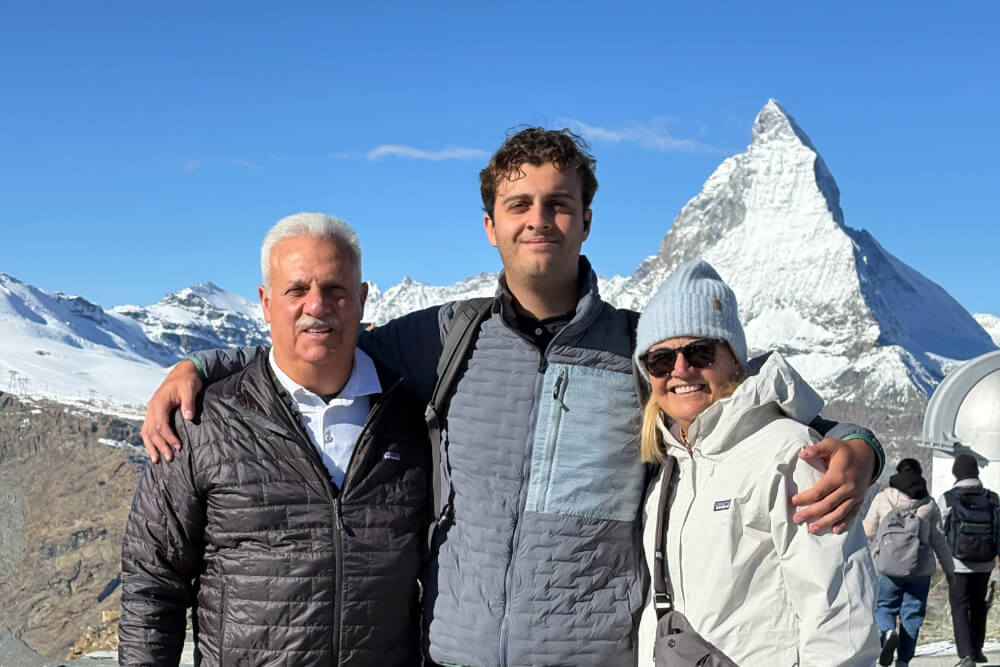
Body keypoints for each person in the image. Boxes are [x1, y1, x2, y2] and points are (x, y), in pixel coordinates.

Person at [140, 129, 884, 666]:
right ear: (490, 225)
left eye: (558, 203)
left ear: (586, 220)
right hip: (454, 654)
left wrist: (858, 443)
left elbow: (749, 414)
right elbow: (319, 340)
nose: (539, 218)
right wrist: (202, 364)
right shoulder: (442, 339)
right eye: (518, 202)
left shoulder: (642, 352)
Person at [118, 214, 430, 666]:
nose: (317, 306)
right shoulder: (202, 420)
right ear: (265, 303)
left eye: (336, 290)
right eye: (297, 290)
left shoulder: (413, 418)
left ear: (361, 301)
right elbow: (152, 584)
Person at [635, 259, 880, 666]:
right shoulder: (667, 469)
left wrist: (864, 446)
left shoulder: (789, 453)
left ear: (735, 359)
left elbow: (838, 613)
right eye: (661, 359)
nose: (680, 369)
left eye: (700, 352)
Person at [863, 458, 955, 667]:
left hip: (888, 566)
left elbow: (868, 531)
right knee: (912, 615)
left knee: (884, 607)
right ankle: (903, 660)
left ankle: (887, 632)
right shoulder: (929, 504)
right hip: (920, 570)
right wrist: (950, 571)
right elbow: (939, 540)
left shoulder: (883, 498)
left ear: (898, 473)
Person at [938, 453, 1000, 667]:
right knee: (979, 604)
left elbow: (938, 529)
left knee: (960, 605)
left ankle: (965, 655)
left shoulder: (948, 498)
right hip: (985, 561)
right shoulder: (993, 498)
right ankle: (977, 650)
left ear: (956, 472)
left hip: (958, 562)